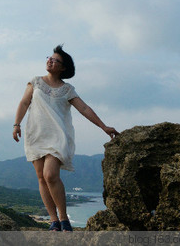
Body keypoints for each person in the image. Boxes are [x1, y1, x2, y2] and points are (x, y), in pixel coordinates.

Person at [12, 45, 119, 232]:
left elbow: (84, 109)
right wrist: (16, 124)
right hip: (36, 134)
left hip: (57, 136)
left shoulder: (67, 89)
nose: (50, 60)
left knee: (50, 175)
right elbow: (23, 102)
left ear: (63, 68)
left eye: (55, 60)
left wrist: (104, 127)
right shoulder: (35, 82)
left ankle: (64, 218)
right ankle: (54, 221)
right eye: (49, 57)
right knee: (41, 178)